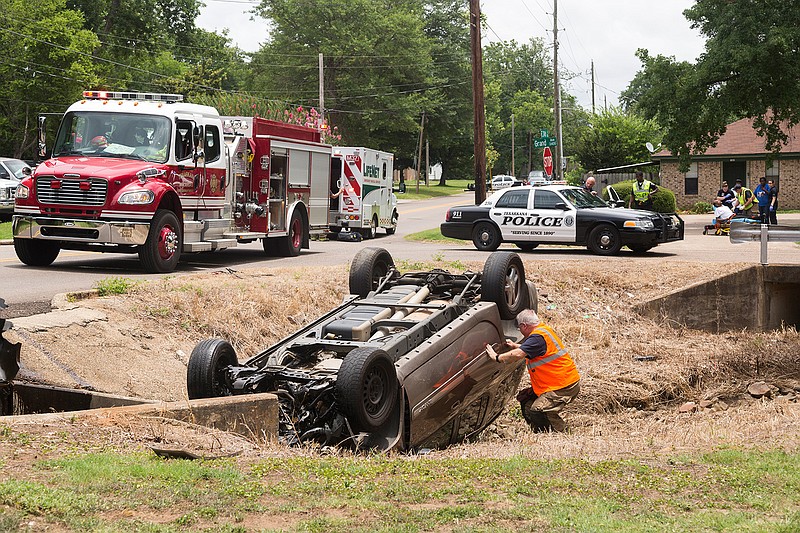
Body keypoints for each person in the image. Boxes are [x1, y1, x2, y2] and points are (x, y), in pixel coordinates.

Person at [485, 309, 580, 432]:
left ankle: (560, 432)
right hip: (558, 383)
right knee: (526, 401)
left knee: (538, 410)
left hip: (563, 386)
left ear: (524, 326)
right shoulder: (543, 330)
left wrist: (496, 357)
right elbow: (534, 349)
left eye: (520, 328)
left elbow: (518, 355)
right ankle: (540, 431)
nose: (520, 331)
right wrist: (516, 346)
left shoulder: (538, 337)